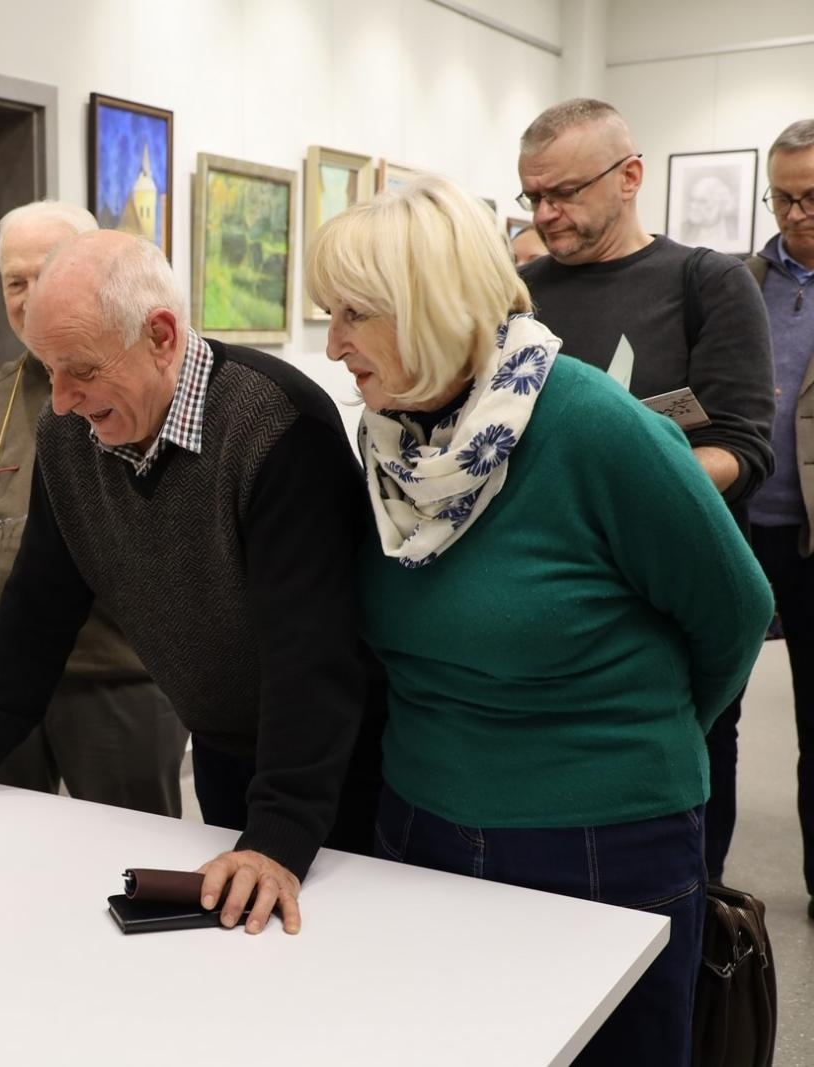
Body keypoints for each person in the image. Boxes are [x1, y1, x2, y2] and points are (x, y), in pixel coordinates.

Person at [306, 173, 772, 1065]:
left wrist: (630, 741)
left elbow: (735, 612)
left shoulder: (594, 426)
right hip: (421, 822)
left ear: (428, 305)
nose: (333, 347)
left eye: (352, 316)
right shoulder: (389, 441)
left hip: (603, 839)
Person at [0, 228, 379, 935]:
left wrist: (279, 835)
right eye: (47, 370)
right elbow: (40, 602)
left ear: (161, 335)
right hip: (223, 748)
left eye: (79, 369)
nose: (58, 400)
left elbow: (315, 653)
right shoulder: (68, 438)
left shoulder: (276, 425)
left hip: (335, 761)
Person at [515, 98, 775, 882]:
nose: (546, 212)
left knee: (683, 788)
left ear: (630, 176)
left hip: (668, 594)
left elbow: (741, 446)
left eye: (564, 192)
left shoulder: (707, 283)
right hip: (546, 593)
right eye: (533, 197)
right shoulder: (517, 293)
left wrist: (621, 482)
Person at [0, 200, 187, 816]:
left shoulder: (154, 394)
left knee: (130, 862)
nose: (31, 296)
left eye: (48, 274)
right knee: (6, 860)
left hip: (118, 688)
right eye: (16, 282)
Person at [745, 118, 814, 920]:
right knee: (712, 712)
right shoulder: (742, 278)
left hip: (812, 533)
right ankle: (704, 870)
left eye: (810, 197)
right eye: (782, 197)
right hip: (738, 523)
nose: (795, 213)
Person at [681, 173, 737, 249]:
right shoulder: (683, 229)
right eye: (692, 200)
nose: (693, 206)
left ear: (722, 204)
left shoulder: (736, 228)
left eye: (702, 201)